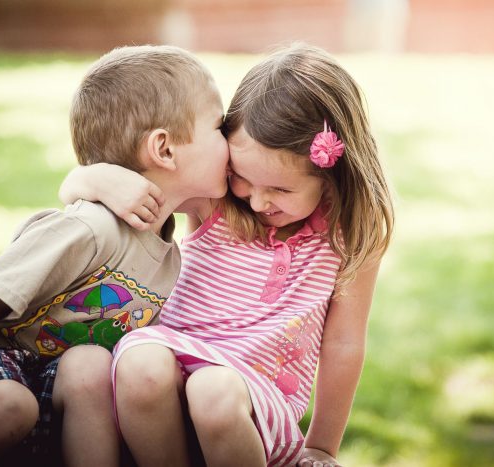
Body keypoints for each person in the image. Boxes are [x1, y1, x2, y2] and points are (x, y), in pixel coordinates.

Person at [0, 44, 229, 467]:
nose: (229, 137)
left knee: (91, 365)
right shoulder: (91, 227)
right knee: (13, 405)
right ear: (165, 149)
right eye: (218, 125)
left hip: (47, 377)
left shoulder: (169, 255)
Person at [60, 43, 395, 467]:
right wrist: (89, 178)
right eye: (243, 178)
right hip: (171, 367)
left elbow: (345, 343)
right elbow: (96, 191)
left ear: (330, 177)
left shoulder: (349, 236)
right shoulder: (213, 201)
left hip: (256, 396)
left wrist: (322, 446)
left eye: (280, 189)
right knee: (140, 361)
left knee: (212, 390)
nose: (256, 201)